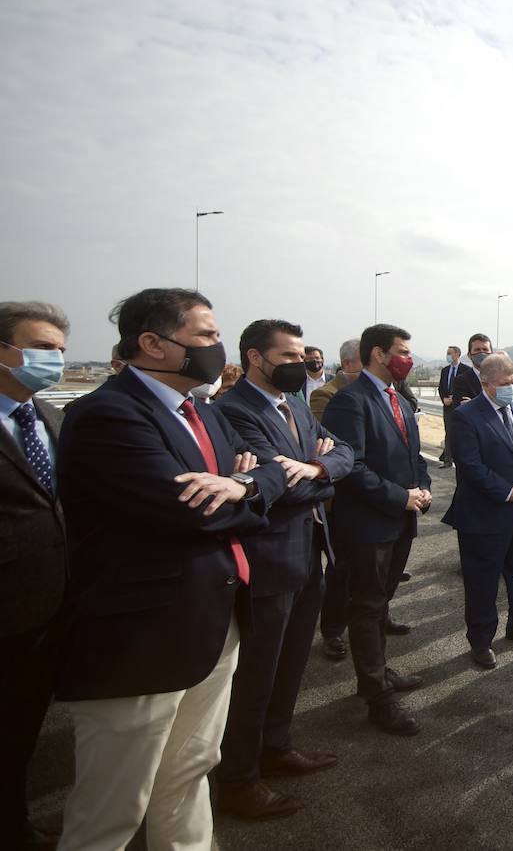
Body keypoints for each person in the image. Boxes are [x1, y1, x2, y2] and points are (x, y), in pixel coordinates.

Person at [53, 288, 287, 851]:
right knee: (113, 804)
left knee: (188, 773)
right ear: (153, 343)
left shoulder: (202, 411)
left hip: (213, 621)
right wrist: (248, 490)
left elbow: (270, 473)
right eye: (205, 335)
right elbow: (191, 512)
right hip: (140, 639)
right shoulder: (106, 415)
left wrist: (245, 483)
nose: (217, 346)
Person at [213, 320, 355, 820]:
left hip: (309, 549)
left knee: (292, 662)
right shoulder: (232, 410)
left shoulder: (293, 403)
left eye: (303, 354)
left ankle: (276, 746)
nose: (301, 363)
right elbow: (277, 488)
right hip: (268, 559)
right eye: (290, 355)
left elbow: (343, 454)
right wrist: (309, 476)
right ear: (255, 357)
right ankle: (237, 777)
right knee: (256, 672)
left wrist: (317, 468)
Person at [321, 323, 432, 736]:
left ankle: (379, 671)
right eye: (402, 351)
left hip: (400, 517)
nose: (409, 359)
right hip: (369, 522)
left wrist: (421, 486)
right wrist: (398, 497)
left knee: (381, 601)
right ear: (379, 354)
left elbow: (413, 454)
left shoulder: (398, 400)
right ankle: (376, 697)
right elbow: (351, 467)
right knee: (367, 607)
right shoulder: (350, 402)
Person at [0, 302, 68, 850]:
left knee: (20, 730)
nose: (55, 359)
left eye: (61, 350)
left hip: (44, 609)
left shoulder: (47, 416)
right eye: (42, 348)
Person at [443, 353, 513, 669]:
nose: (512, 387)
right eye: (505, 384)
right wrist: (507, 492)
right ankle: (480, 640)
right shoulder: (466, 416)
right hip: (484, 514)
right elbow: (470, 465)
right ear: (486, 384)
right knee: (482, 582)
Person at [310, 338, 361, 662]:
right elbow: (328, 446)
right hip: (339, 498)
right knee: (340, 570)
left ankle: (376, 618)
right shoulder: (324, 395)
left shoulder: (384, 393)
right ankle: (331, 631)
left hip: (369, 497)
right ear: (348, 364)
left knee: (370, 570)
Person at [437, 345, 477, 469]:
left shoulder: (466, 370)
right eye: (447, 353)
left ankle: (461, 458)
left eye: (450, 353)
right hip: (448, 407)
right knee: (449, 432)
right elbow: (441, 387)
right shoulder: (445, 370)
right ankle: (447, 460)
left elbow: (470, 388)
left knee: (462, 433)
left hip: (461, 406)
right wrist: (444, 398)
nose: (448, 356)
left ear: (458, 355)